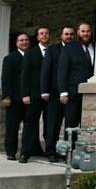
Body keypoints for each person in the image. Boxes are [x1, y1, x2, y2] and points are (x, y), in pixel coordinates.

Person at [57, 22, 96, 151]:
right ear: (78, 33)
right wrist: (63, 92)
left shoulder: (95, 47)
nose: (85, 34)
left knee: (87, 124)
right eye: (83, 31)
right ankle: (69, 153)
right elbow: (62, 70)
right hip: (73, 92)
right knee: (71, 124)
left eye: (88, 31)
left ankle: (83, 152)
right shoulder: (70, 47)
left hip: (91, 93)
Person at [19, 26, 49, 163]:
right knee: (30, 123)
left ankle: (49, 151)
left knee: (50, 124)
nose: (44, 35)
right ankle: (25, 152)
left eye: (46, 33)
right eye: (41, 34)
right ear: (37, 37)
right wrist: (25, 94)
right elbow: (25, 76)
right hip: (34, 95)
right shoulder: (30, 53)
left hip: (50, 95)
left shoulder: (53, 51)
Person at [41, 27, 71, 162]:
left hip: (71, 93)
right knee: (53, 124)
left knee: (69, 125)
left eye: (71, 34)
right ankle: (50, 151)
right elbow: (46, 71)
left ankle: (65, 152)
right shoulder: (52, 50)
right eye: (66, 34)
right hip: (53, 93)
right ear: (61, 36)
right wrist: (45, 90)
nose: (69, 36)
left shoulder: (76, 49)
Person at [0, 33, 29, 160]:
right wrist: (6, 96)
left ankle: (26, 151)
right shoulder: (10, 59)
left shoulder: (32, 56)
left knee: (29, 127)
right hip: (14, 99)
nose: (24, 42)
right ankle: (11, 152)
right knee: (12, 126)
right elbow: (5, 79)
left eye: (26, 40)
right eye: (21, 40)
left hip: (30, 99)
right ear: (17, 43)